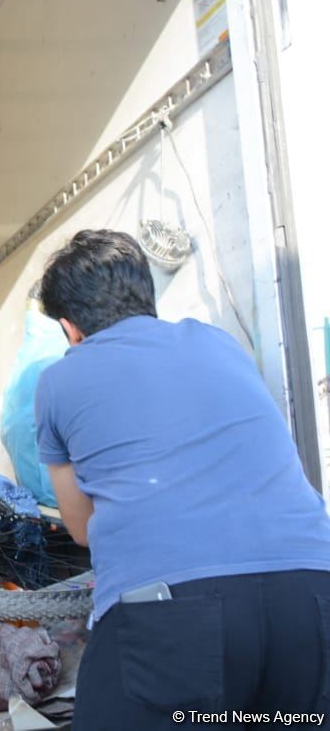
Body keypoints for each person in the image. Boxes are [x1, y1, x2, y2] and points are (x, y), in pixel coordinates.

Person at [35, 229, 330, 729]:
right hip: (313, 598)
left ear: (70, 328)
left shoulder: (58, 380)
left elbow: (80, 528)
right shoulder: (220, 343)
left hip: (175, 615)